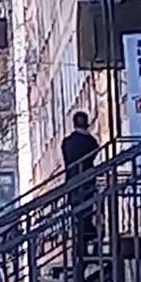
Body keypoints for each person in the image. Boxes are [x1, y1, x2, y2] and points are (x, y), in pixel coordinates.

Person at [61, 110, 100, 266]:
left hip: (73, 184)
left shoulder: (67, 142)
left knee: (77, 218)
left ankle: (80, 249)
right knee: (87, 214)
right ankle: (90, 237)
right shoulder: (91, 142)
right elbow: (94, 155)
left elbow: (67, 162)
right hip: (88, 184)